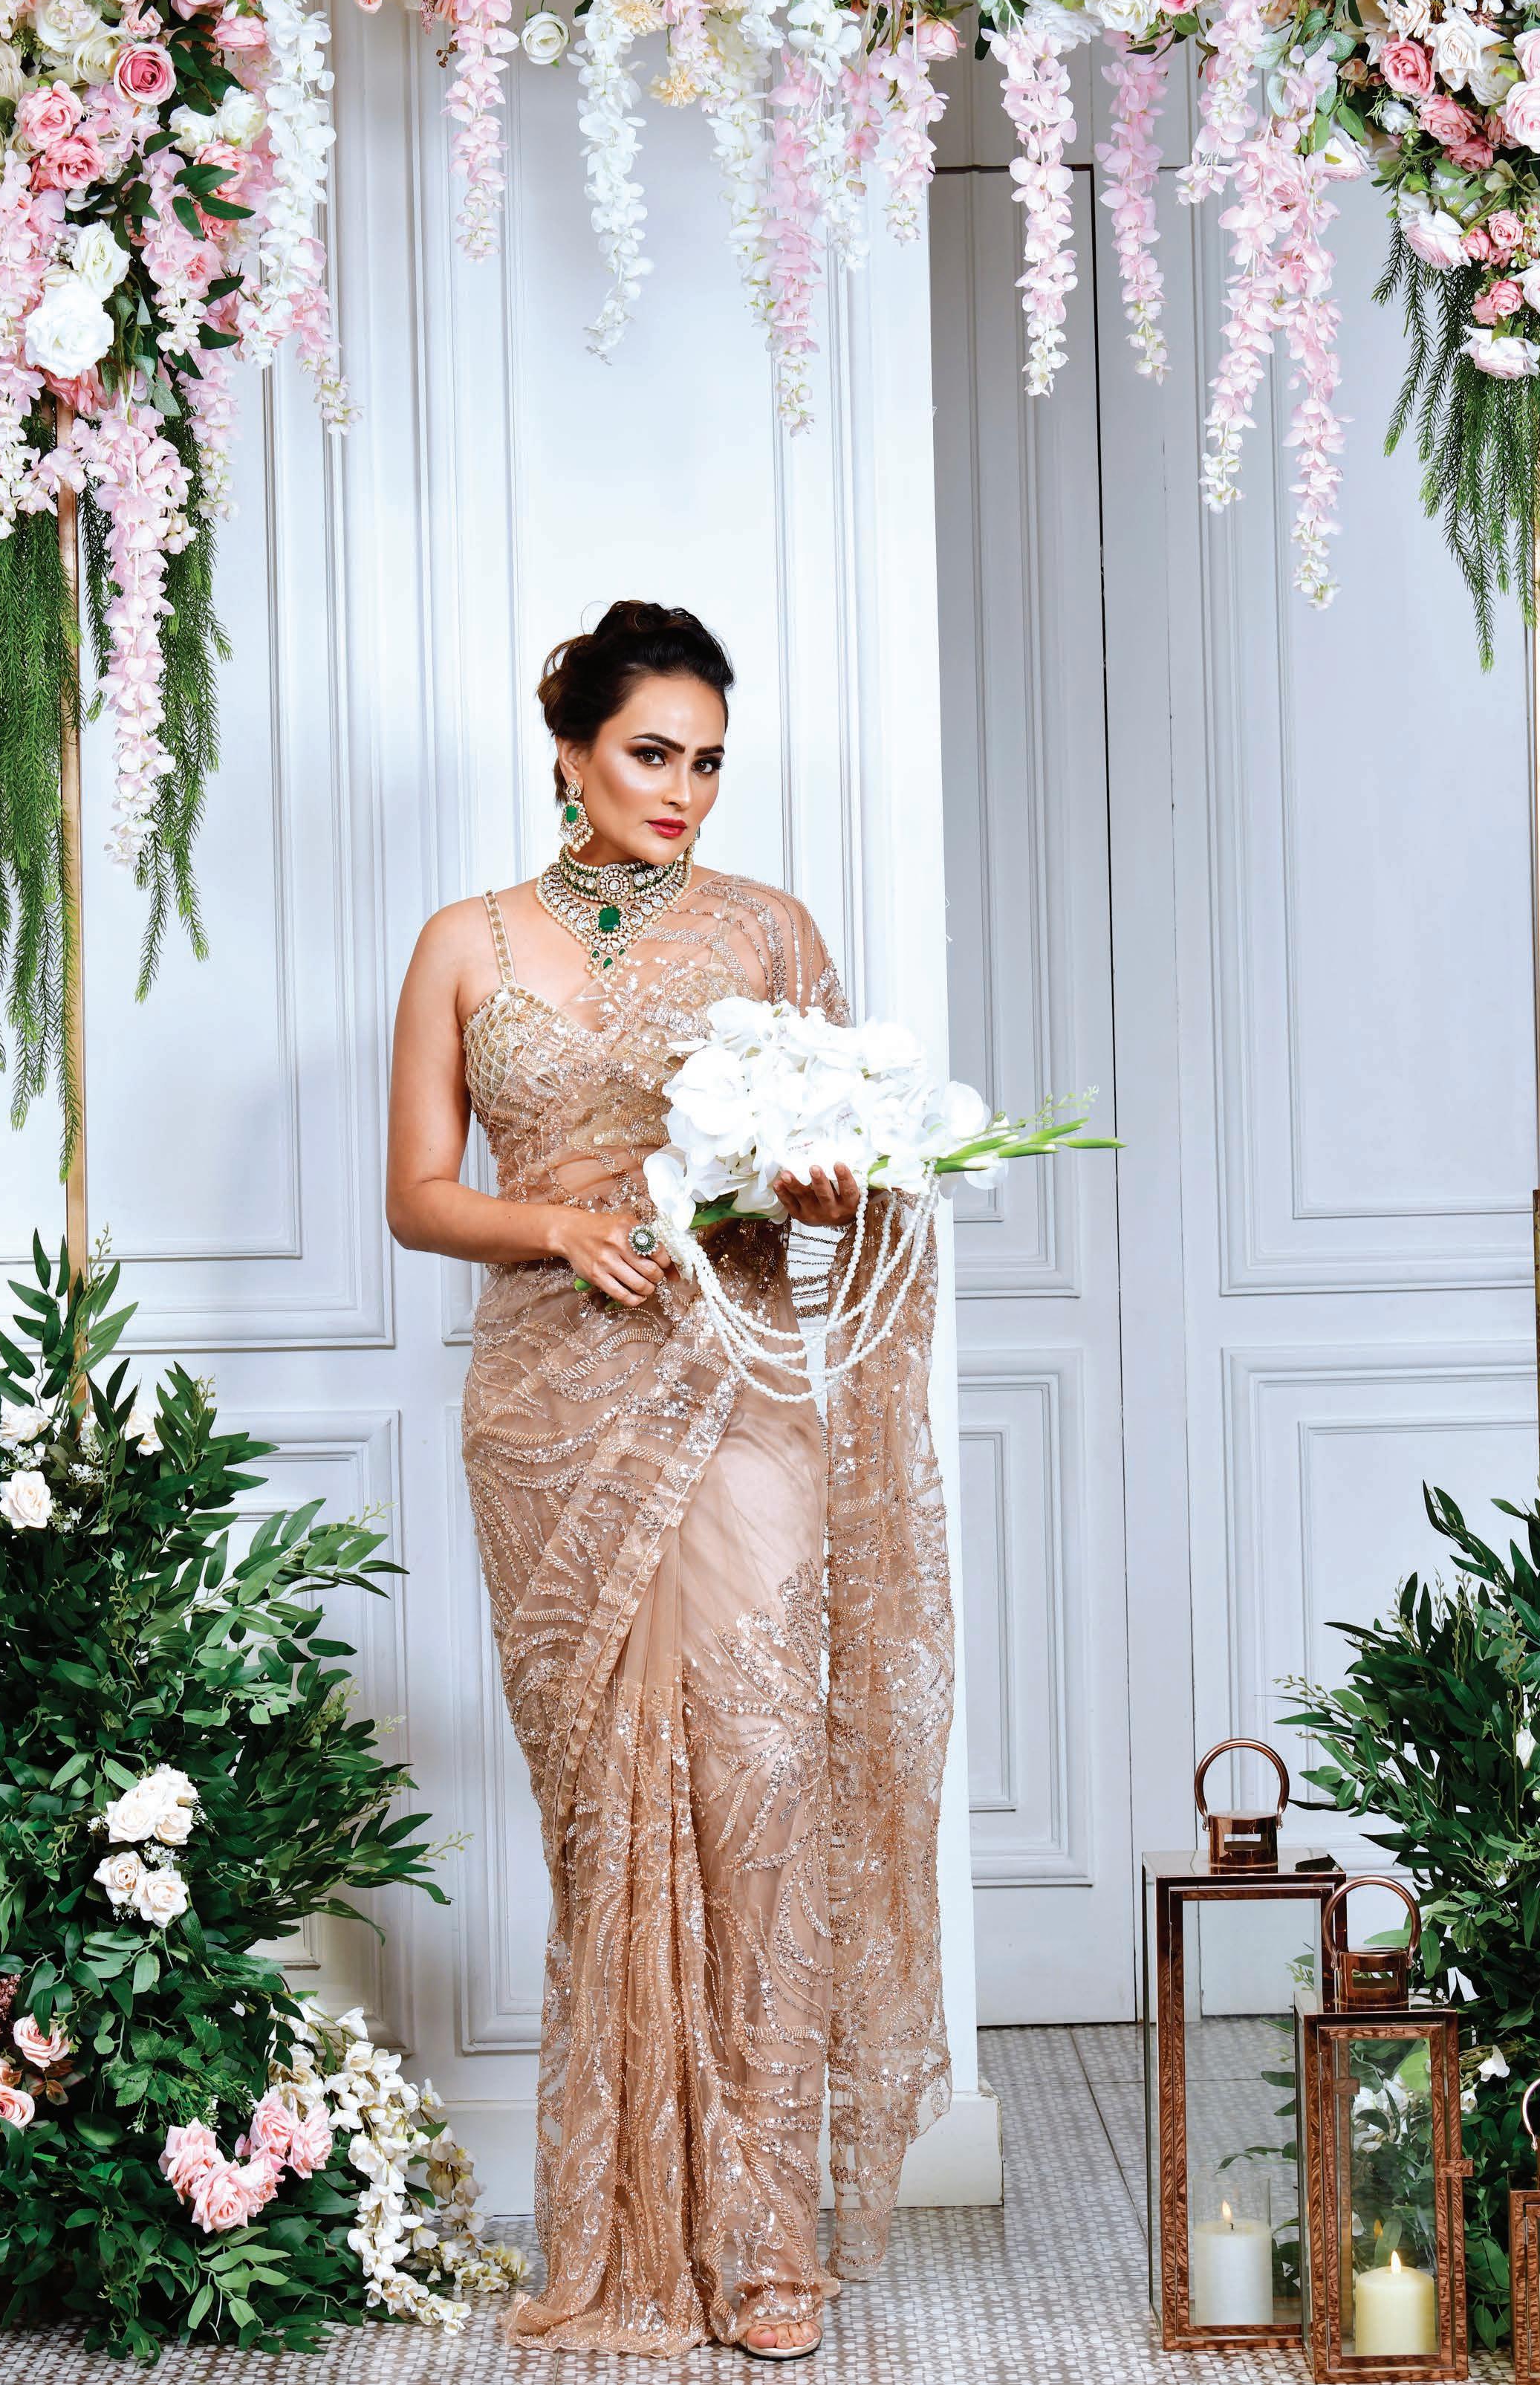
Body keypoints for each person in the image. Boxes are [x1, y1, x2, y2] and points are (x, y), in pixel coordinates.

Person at [386, 600, 953, 2360]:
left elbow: (854, 1167)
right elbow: (418, 1195)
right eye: (650, 752)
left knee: (762, 1781)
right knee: (606, 1820)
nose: (682, 790)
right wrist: (560, 1225)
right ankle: (630, 2226)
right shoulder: (466, 942)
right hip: (549, 1407)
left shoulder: (769, 930)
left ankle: (766, 2241)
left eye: (707, 761)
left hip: (741, 1382)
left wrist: (827, 1183)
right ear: (567, 746)